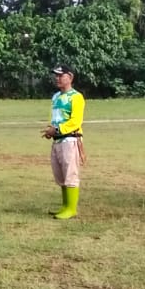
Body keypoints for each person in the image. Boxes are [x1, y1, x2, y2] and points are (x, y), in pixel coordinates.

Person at [42, 64, 85, 220]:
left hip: (70, 140)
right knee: (60, 174)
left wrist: (58, 130)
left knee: (70, 173)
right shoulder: (55, 97)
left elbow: (75, 121)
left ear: (70, 77)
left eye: (61, 75)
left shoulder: (76, 97)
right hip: (57, 141)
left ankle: (71, 209)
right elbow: (55, 118)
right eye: (56, 75)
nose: (57, 78)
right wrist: (50, 131)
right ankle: (65, 206)